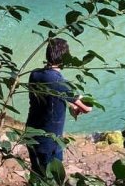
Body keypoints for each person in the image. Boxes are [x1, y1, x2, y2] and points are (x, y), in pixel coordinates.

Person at [24, 38, 92, 179]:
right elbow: (86, 109)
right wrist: (82, 101)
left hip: (31, 133)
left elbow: (51, 101)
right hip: (50, 141)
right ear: (66, 58)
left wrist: (73, 106)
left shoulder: (34, 74)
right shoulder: (62, 84)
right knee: (51, 177)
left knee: (36, 172)